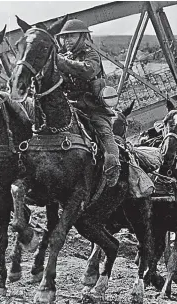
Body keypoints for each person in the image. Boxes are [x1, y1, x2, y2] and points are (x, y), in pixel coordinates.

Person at [55, 19, 120, 187]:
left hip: (92, 108)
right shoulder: (62, 57)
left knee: (104, 132)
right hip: (69, 107)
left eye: (71, 36)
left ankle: (113, 168)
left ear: (82, 37)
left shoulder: (91, 55)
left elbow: (87, 71)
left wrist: (60, 62)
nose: (67, 40)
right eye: (64, 37)